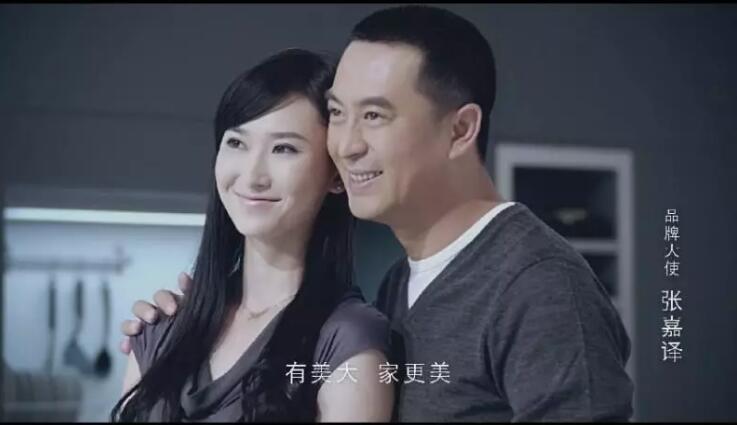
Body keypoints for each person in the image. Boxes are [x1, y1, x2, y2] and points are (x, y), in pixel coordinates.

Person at [121, 5, 634, 422]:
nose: (346, 144)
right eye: (338, 114)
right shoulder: (398, 286)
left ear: (460, 130)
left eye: (374, 115)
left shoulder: (540, 284)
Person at [111, 48, 394, 422]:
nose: (252, 175)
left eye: (283, 148)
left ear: (336, 176)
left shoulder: (347, 339)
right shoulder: (162, 329)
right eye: (236, 143)